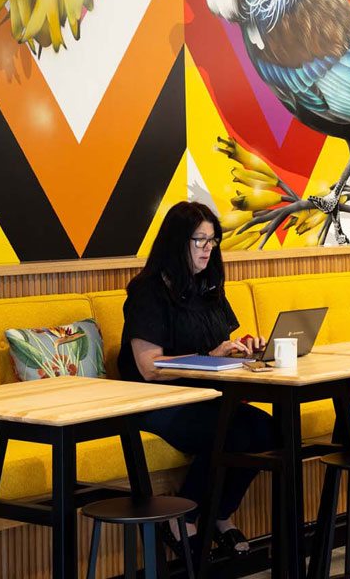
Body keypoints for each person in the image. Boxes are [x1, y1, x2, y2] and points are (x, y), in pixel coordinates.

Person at [120, 201, 275, 557]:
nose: (208, 248)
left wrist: (244, 348)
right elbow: (148, 366)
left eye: (213, 240)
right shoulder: (148, 291)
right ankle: (183, 516)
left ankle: (218, 513)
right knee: (232, 429)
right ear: (177, 242)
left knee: (266, 429)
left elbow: (218, 346)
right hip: (156, 400)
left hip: (203, 395)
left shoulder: (209, 287)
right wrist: (210, 357)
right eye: (200, 240)